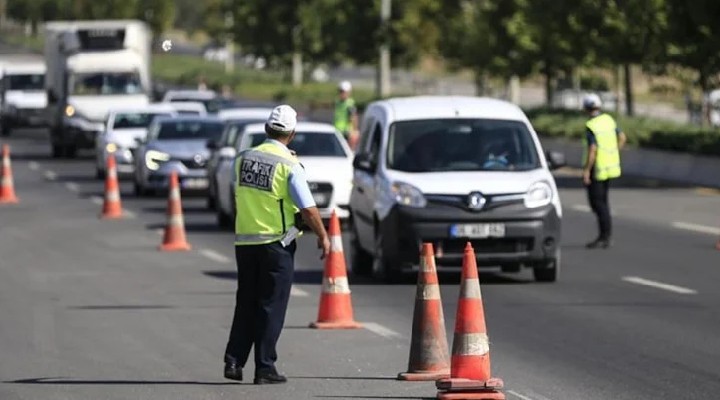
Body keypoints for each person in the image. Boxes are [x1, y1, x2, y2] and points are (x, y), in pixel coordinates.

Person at [223, 104, 331, 384]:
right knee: (271, 306)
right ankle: (264, 367)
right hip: (276, 244)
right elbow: (307, 209)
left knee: (246, 302)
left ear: (266, 129)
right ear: (292, 134)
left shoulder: (243, 159)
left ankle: (233, 361)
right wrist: (323, 235)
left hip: (245, 242)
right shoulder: (289, 165)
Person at [581, 93, 626, 249]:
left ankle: (604, 236)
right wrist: (613, 152)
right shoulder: (608, 120)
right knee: (603, 203)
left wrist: (587, 170)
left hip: (597, 168)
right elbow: (622, 137)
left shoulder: (591, 125)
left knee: (598, 204)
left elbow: (592, 150)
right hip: (610, 167)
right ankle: (605, 235)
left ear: (586, 108)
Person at [334, 80, 359, 150]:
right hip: (337, 130)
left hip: (346, 132)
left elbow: (353, 117)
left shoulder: (350, 104)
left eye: (343, 92)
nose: (341, 94)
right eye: (340, 91)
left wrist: (354, 131)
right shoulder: (338, 102)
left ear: (348, 93)